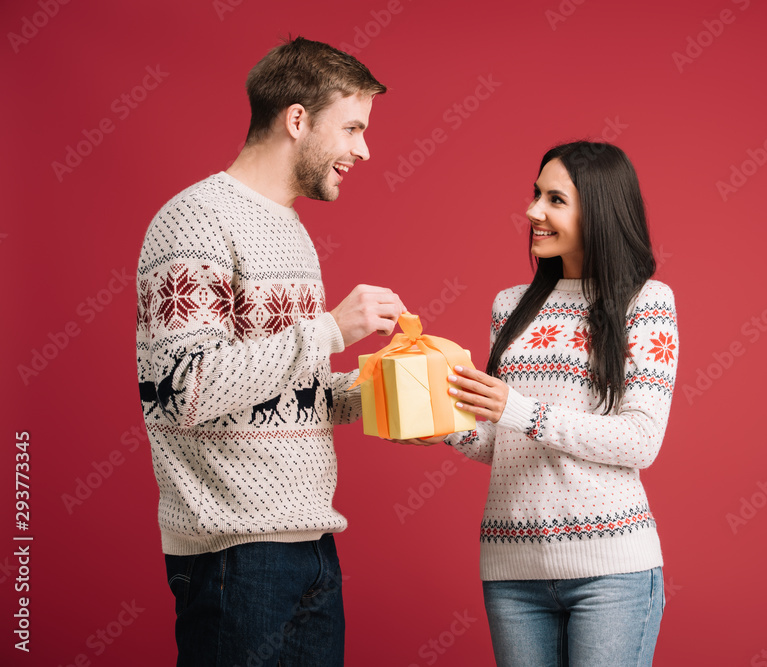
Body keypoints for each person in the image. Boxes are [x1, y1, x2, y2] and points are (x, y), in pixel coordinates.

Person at [135, 37, 405, 666]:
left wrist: (380, 395)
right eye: (353, 128)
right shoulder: (195, 220)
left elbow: (277, 386)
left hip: (310, 548)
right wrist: (331, 330)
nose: (364, 149)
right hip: (233, 556)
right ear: (297, 119)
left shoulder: (290, 229)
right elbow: (183, 391)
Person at [398, 141, 679, 666]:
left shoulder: (647, 301)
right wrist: (440, 423)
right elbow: (503, 443)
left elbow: (640, 440)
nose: (532, 212)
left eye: (554, 199)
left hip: (611, 572)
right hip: (512, 570)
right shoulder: (510, 306)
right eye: (535, 195)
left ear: (598, 209)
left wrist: (517, 409)